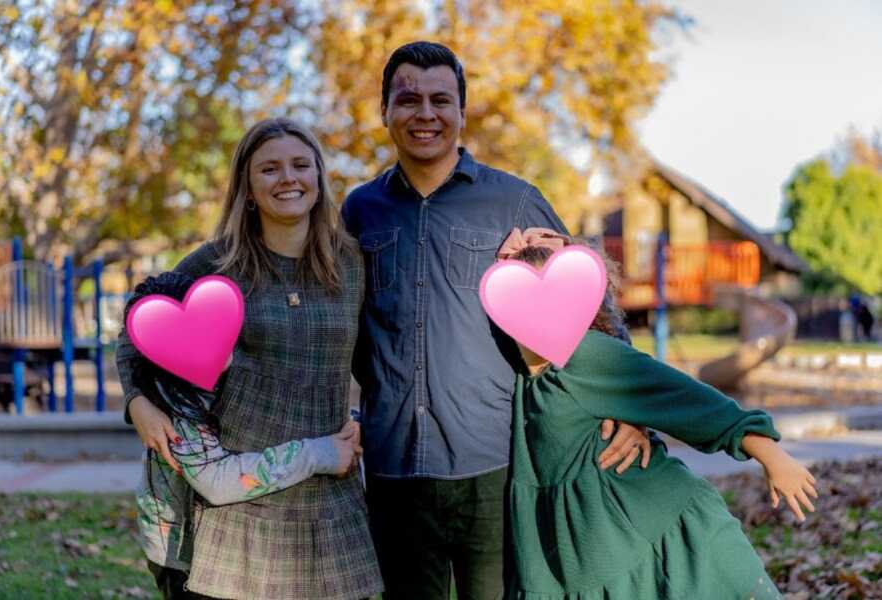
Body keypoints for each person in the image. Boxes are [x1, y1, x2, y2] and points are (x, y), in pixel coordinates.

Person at [341, 41, 650, 599]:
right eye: (408, 100)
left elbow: (591, 306)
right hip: (392, 468)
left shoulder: (514, 201)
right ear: (384, 110)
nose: (425, 114)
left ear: (463, 111)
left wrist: (630, 410)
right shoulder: (358, 211)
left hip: (495, 465)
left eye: (441, 100)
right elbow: (340, 323)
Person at [116, 117, 383, 599]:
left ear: (320, 180)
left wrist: (370, 418)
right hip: (237, 495)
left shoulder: (353, 263)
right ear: (248, 187)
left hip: (330, 490)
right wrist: (137, 403)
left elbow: (384, 353)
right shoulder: (215, 264)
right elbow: (138, 325)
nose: (289, 179)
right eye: (270, 169)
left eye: (302, 165)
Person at [504, 244, 818, 599]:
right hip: (586, 551)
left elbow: (688, 400)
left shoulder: (588, 355)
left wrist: (773, 457)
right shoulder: (519, 376)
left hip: (659, 531)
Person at [122, 271, 363, 599]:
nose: (214, 342)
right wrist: (317, 454)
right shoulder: (174, 405)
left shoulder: (226, 370)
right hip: (179, 552)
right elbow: (217, 480)